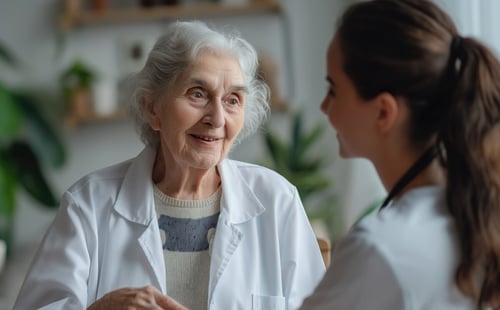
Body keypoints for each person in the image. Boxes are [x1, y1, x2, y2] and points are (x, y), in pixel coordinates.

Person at [14, 21, 325, 310]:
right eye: (198, 94)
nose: (217, 118)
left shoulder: (277, 201)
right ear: (153, 108)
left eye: (232, 100)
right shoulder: (88, 205)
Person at [300, 0, 500, 309]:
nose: (325, 107)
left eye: (334, 90)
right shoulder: (479, 215)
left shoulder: (379, 249)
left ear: (383, 111)